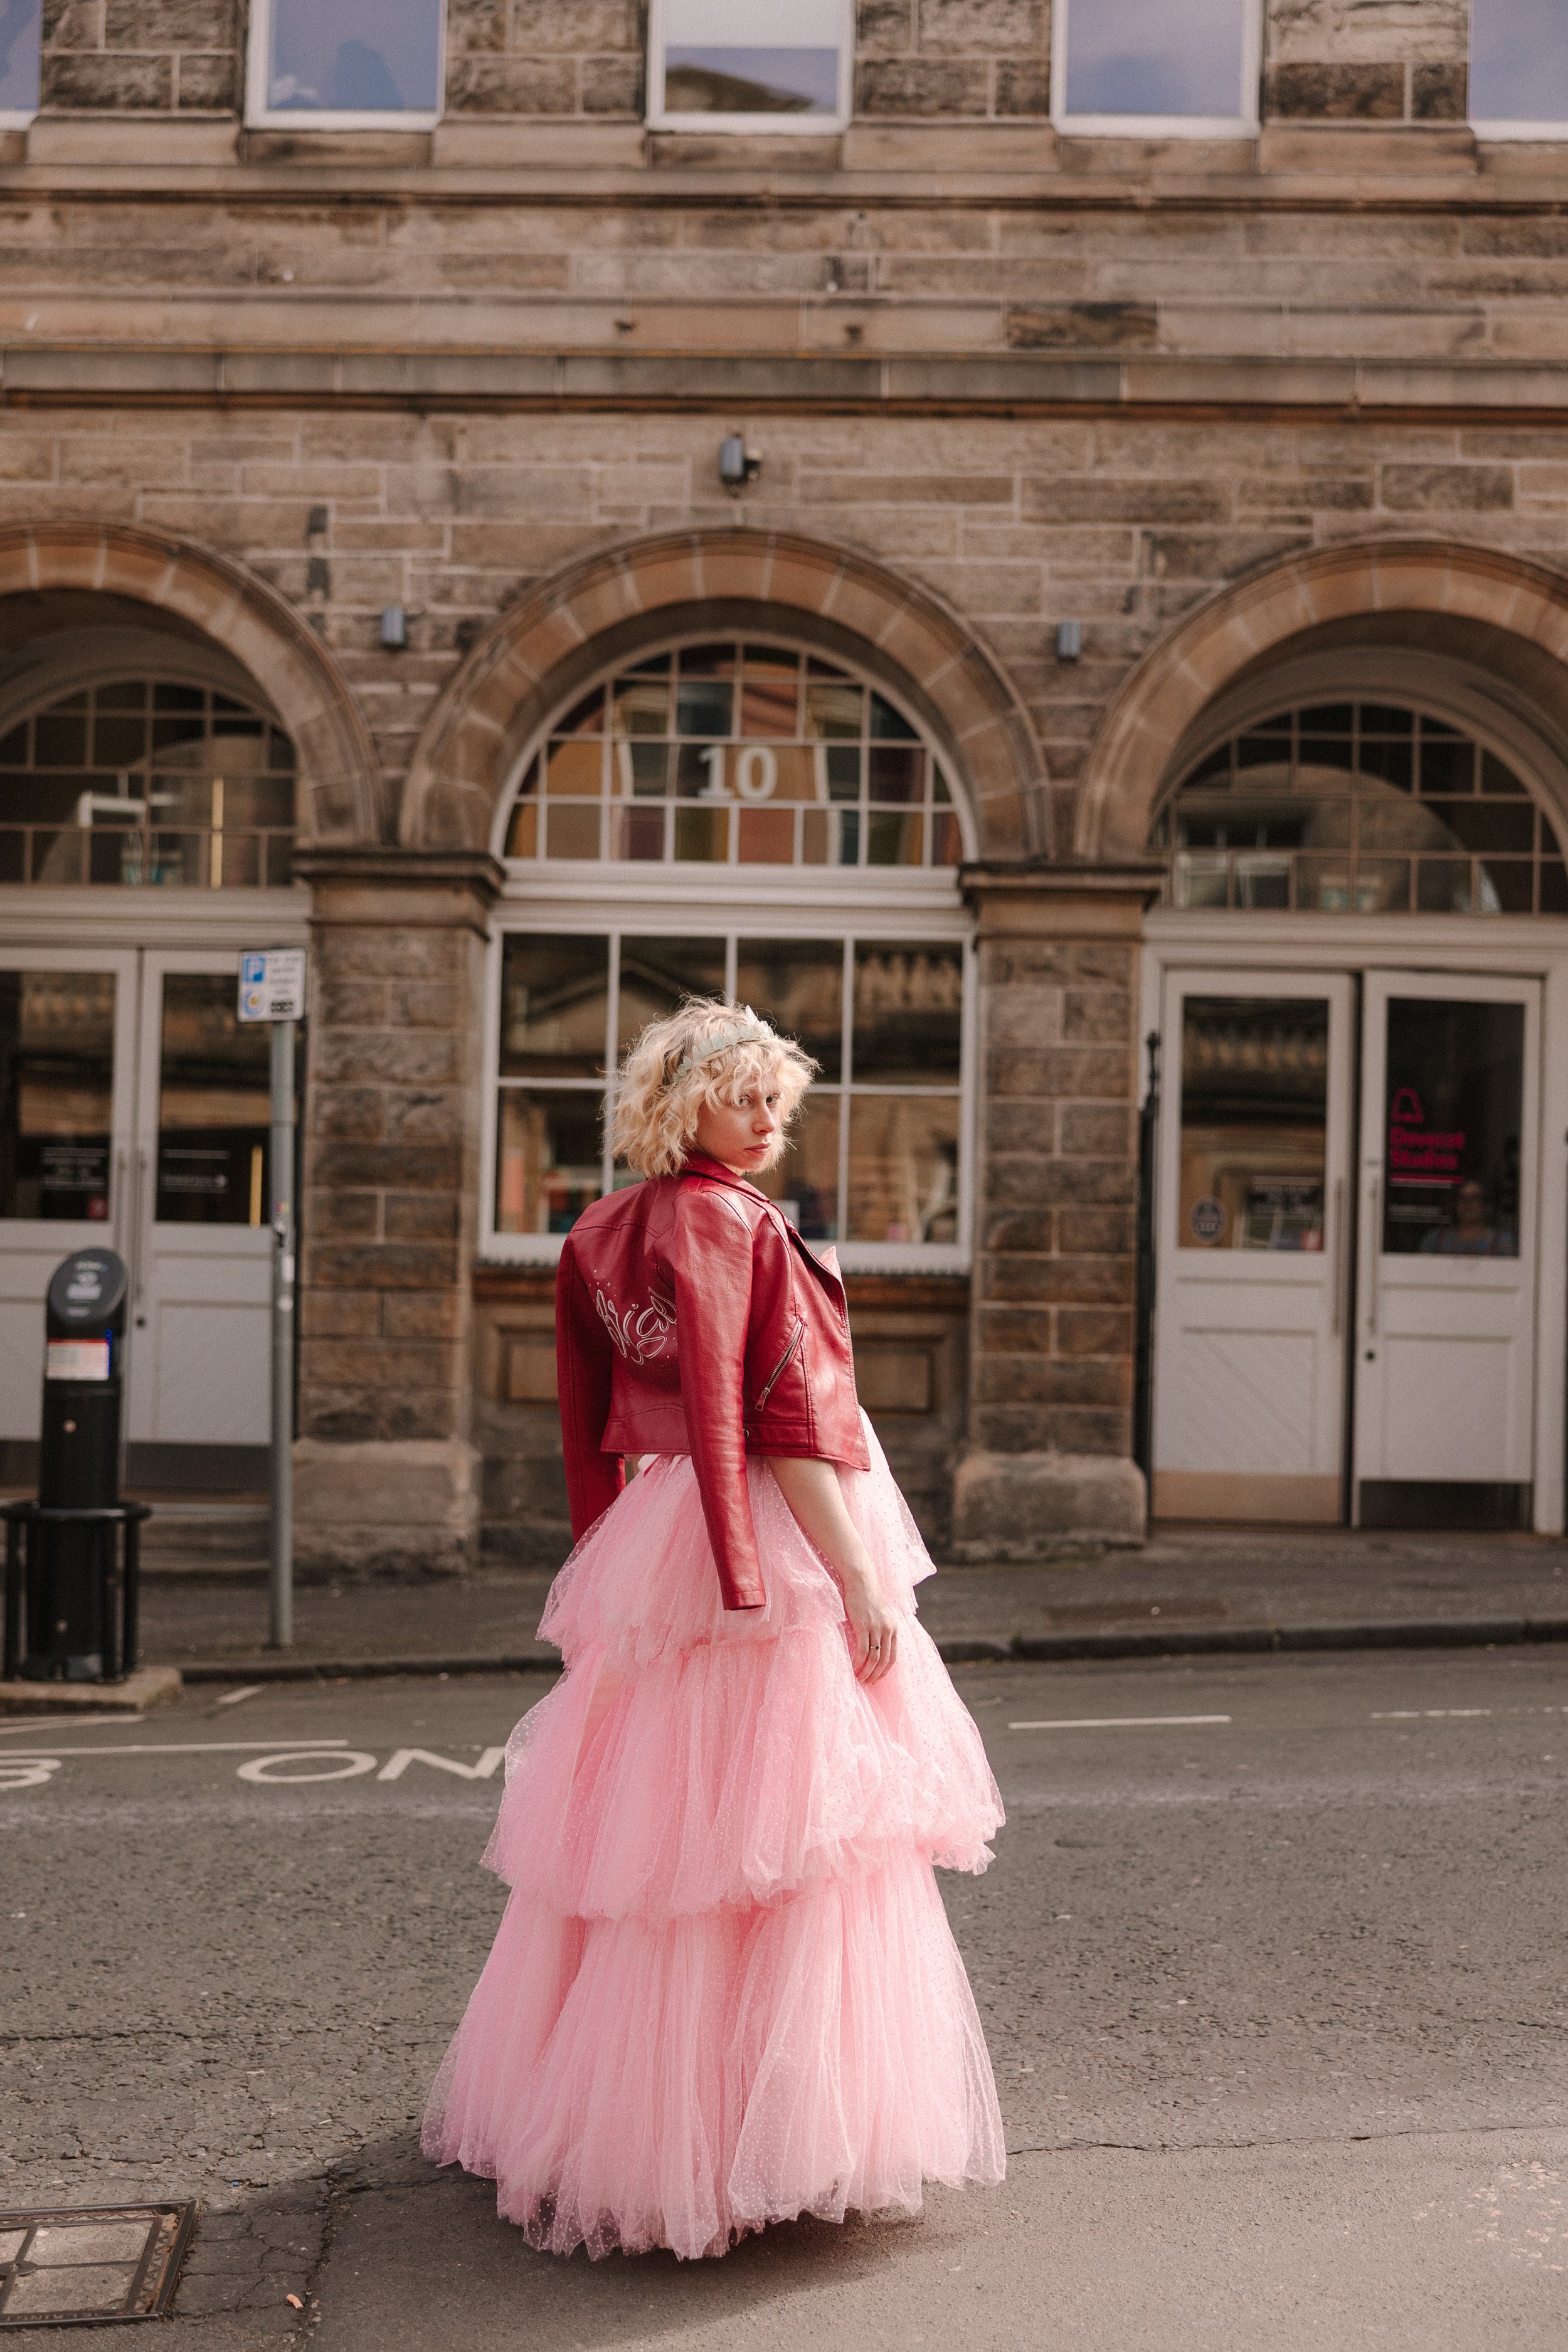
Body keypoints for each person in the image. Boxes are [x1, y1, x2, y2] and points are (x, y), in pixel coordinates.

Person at [421, 999, 1005, 2261]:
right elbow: (788, 1418)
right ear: (678, 1101)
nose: (766, 1113)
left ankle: (624, 2118)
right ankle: (760, 2132)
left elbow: (613, 1402)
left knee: (657, 1847)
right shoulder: (734, 1220)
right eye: (741, 1091)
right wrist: (853, 1577)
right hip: (759, 1533)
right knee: (784, 1844)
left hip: (670, 1517)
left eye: (775, 1094)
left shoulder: (614, 1226)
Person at [1419, 1177, 1515, 1257]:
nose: (1467, 1204)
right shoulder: (1435, 1240)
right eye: (1462, 1198)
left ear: (1485, 1205)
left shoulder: (1502, 1242)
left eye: (1474, 1198)